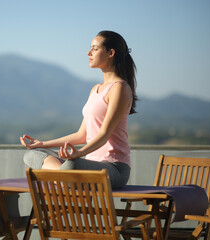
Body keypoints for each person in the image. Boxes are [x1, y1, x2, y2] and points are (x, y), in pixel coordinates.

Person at [20, 30, 137, 189]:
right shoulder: (95, 89)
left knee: (71, 166)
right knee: (33, 154)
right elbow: (82, 135)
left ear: (111, 53)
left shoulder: (120, 88)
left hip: (114, 168)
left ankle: (62, 178)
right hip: (89, 164)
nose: (89, 52)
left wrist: (79, 154)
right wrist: (43, 143)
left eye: (95, 48)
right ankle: (65, 178)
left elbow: (104, 134)